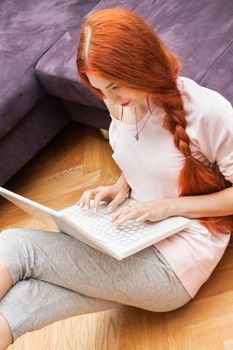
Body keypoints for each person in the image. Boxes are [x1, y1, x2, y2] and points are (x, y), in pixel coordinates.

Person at [0, 8, 233, 349]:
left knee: (17, 247)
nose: (111, 101)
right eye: (100, 91)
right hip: (133, 235)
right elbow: (148, 153)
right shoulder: (120, 102)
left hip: (175, 263)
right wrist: (121, 185)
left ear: (140, 63)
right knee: (25, 300)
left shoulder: (207, 111)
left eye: (114, 86)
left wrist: (168, 207)